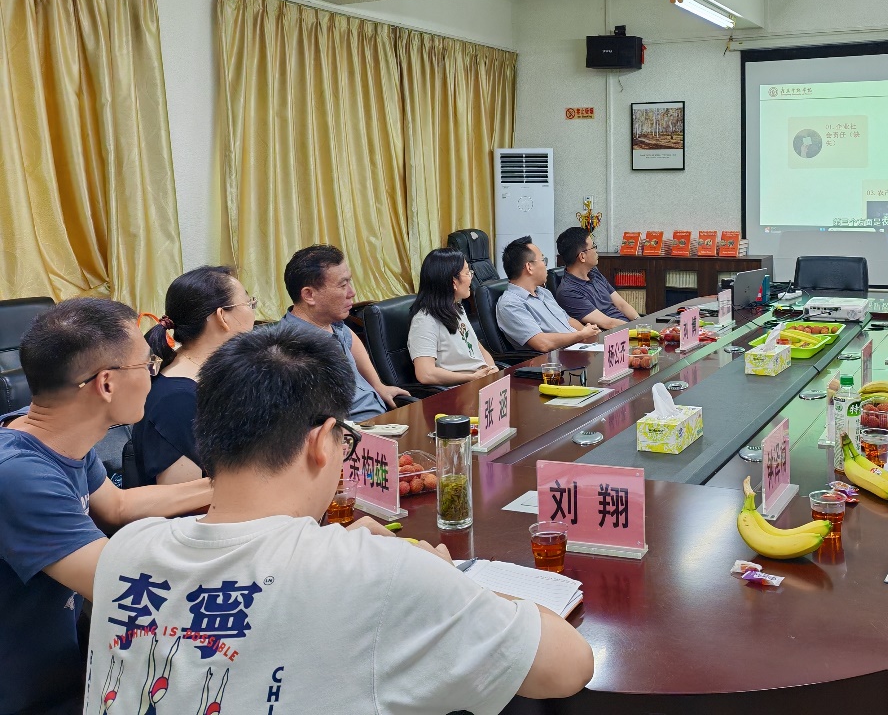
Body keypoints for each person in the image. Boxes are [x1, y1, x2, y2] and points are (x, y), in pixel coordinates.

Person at [83, 324, 594, 713]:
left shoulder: (126, 550)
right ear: (321, 442)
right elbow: (569, 666)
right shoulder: (375, 570)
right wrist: (444, 576)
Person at [0, 299, 213, 715]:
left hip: (58, 666)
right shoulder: (20, 476)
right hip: (23, 692)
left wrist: (228, 487)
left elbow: (117, 504)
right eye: (147, 364)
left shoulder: (49, 431)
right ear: (107, 384)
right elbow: (121, 586)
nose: (153, 374)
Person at [133, 266, 257, 484]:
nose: (253, 313)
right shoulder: (177, 399)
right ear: (222, 316)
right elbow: (181, 498)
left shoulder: (213, 377)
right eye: (248, 303)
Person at [280, 244, 412, 421]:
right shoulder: (293, 350)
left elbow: (350, 337)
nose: (352, 292)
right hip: (355, 431)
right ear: (309, 295)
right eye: (343, 285)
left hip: (380, 416)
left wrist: (378, 385)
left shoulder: (330, 321)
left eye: (349, 282)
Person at [407, 247, 499, 386]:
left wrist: (492, 369)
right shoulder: (425, 320)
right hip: (460, 390)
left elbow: (477, 347)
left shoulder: (456, 307)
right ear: (453, 282)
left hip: (480, 383)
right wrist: (471, 378)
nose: (471, 278)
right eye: (467, 273)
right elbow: (425, 374)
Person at [496, 236, 600, 352]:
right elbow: (542, 343)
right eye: (543, 260)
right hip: (557, 358)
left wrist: (588, 332)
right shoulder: (510, 304)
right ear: (529, 267)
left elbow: (568, 320)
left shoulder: (543, 292)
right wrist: (581, 335)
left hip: (579, 348)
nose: (546, 266)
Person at [553, 227, 639, 329]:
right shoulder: (568, 292)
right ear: (582, 257)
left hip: (629, 327)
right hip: (612, 333)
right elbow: (608, 323)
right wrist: (638, 329)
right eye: (593, 247)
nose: (596, 250)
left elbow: (621, 305)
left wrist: (640, 322)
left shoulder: (593, 272)